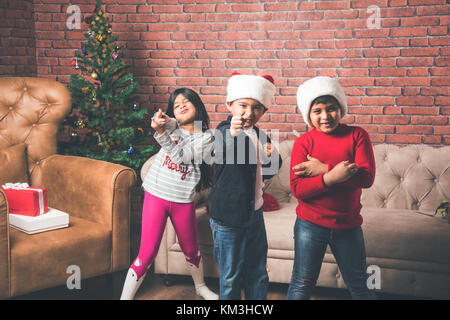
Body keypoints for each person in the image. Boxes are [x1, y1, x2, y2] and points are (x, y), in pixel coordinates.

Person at [120, 88, 218, 300]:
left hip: (182, 200)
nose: (182, 105)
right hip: (156, 196)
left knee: (191, 250)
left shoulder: (207, 137)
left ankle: (200, 287)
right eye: (176, 104)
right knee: (146, 254)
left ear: (197, 105)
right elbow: (166, 124)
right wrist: (160, 123)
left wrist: (162, 134)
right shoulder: (173, 127)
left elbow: (182, 158)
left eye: (186, 101)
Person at [287, 76, 377, 300]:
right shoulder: (304, 143)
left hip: (348, 225)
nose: (325, 116)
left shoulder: (357, 135)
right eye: (317, 111)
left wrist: (323, 168)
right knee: (301, 284)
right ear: (309, 115)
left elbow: (366, 178)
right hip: (310, 225)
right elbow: (299, 189)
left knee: (360, 284)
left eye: (331, 109)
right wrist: (332, 176)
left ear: (341, 108)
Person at [208, 72, 282, 300]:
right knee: (231, 276)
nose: (249, 113)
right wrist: (234, 132)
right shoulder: (222, 131)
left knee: (258, 271)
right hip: (228, 218)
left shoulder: (260, 135)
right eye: (243, 105)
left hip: (255, 213)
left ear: (264, 110)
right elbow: (224, 150)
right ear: (229, 104)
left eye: (257, 107)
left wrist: (272, 156)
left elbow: (268, 171)